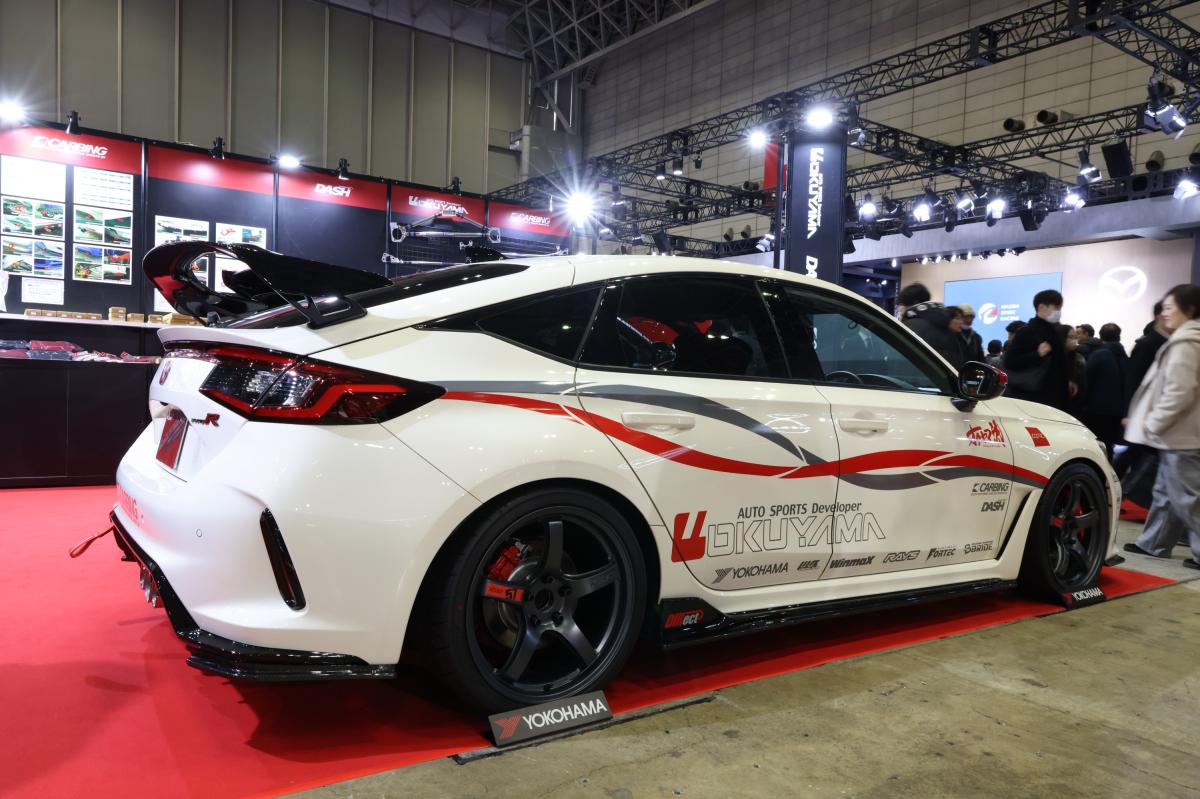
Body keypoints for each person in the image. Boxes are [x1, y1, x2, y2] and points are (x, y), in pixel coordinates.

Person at [1123, 284, 1200, 569]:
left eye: (1169, 307)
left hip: (1182, 433)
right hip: (1180, 433)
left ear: (1189, 309)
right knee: (1167, 493)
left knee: (1188, 498)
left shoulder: (1186, 343)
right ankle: (1153, 543)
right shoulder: (1188, 339)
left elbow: (1179, 392)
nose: (1164, 313)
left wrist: (1154, 423)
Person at [1002, 290, 1070, 410]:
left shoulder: (1058, 331)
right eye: (1056, 307)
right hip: (1032, 397)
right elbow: (1010, 361)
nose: (1058, 311)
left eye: (1060, 308)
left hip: (1055, 396)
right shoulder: (1026, 332)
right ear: (1041, 307)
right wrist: (1037, 354)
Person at [1084, 323, 1129, 460]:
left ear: (1101, 336)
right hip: (1119, 411)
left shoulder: (1099, 355)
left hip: (1098, 410)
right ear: (1119, 336)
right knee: (1109, 445)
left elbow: (1087, 380)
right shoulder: (1125, 357)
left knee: (1098, 446)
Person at [900, 283, 963, 369]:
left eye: (902, 304)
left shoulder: (910, 326)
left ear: (915, 303)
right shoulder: (946, 322)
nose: (900, 308)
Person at [1063, 324, 1087, 420]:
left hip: (1072, 408)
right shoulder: (1052, 358)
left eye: (1075, 338)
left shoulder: (1078, 358)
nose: (1074, 341)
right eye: (1070, 337)